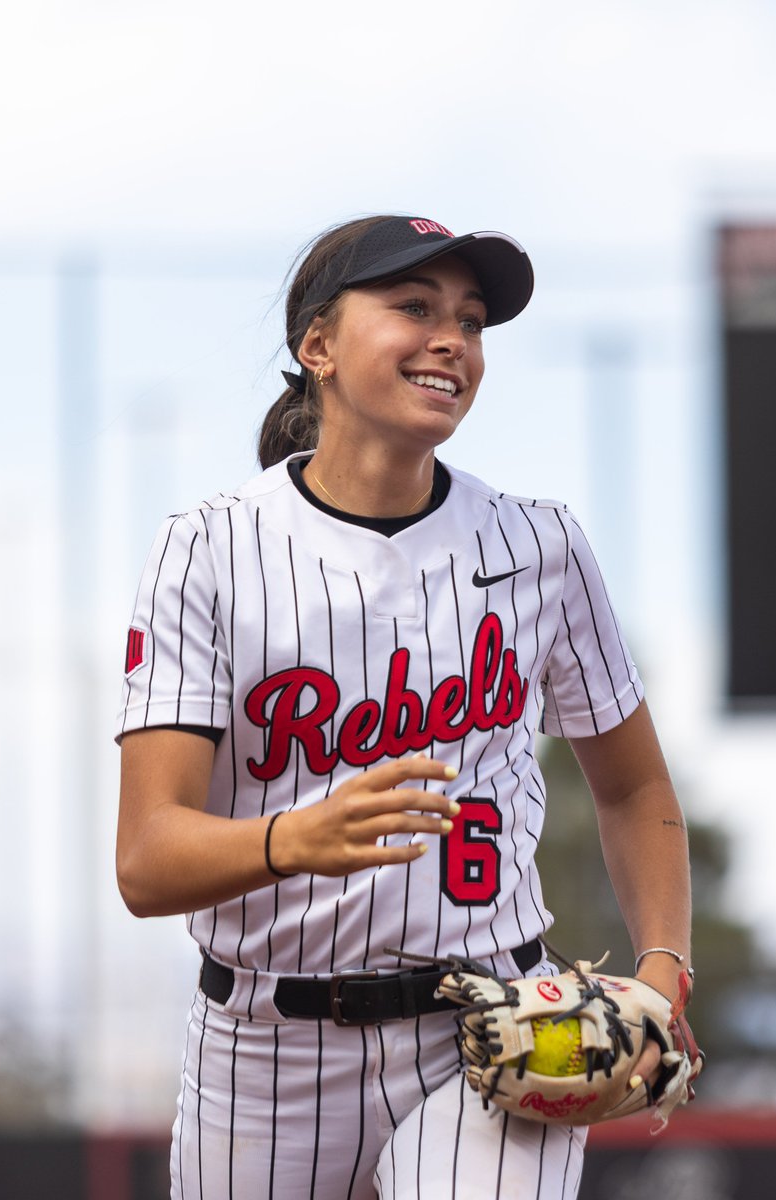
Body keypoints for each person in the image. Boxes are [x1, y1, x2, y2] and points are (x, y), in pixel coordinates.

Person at [114, 214, 693, 1200]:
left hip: (489, 1024)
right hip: (265, 1046)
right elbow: (146, 859)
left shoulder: (537, 545)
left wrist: (663, 969)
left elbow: (636, 788)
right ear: (319, 347)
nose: (452, 341)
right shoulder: (210, 551)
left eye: (470, 322)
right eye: (414, 308)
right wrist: (295, 837)